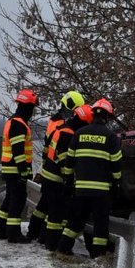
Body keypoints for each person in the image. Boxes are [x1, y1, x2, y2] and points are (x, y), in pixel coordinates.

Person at [57, 98, 122, 261]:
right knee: (101, 225)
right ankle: (98, 257)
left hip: (80, 190)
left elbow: (68, 162)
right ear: (107, 117)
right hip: (101, 192)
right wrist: (116, 184)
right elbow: (116, 165)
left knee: (75, 221)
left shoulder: (79, 134)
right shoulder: (111, 138)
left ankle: (62, 248)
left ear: (93, 115)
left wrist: (68, 181)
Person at [26, 90, 85, 245]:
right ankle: (49, 241)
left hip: (48, 170)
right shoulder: (65, 129)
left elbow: (47, 149)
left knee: (42, 207)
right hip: (56, 175)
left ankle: (34, 233)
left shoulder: (55, 122)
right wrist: (68, 177)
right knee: (55, 212)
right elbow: (63, 156)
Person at [40, 99, 93, 251]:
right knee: (56, 216)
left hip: (48, 174)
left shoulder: (61, 128)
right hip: (56, 179)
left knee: (51, 213)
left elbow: (47, 150)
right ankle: (51, 244)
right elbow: (64, 160)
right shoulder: (69, 134)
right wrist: (69, 180)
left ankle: (44, 238)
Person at [0, 89, 38, 242]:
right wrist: (24, 170)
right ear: (28, 107)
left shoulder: (14, 121)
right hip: (16, 169)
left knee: (10, 198)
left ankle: (0, 227)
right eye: (33, 107)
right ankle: (13, 233)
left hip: (10, 168)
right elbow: (18, 150)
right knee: (17, 200)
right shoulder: (18, 124)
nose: (33, 111)